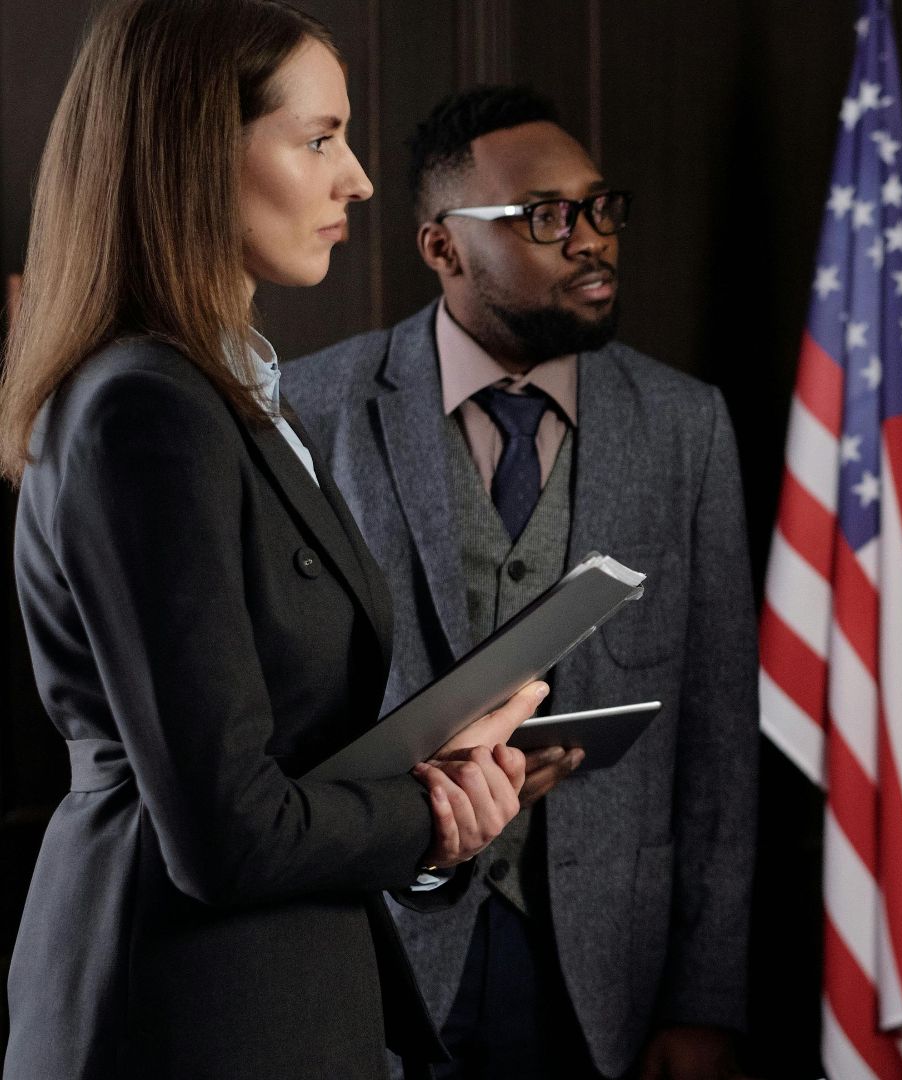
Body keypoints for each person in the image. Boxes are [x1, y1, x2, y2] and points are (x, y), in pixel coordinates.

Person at [0, 3, 540, 1078]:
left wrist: (434, 795)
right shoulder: (143, 412)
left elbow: (278, 766)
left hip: (269, 998)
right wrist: (424, 817)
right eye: (317, 138)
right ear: (195, 152)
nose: (359, 181)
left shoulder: (231, 398)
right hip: (183, 1017)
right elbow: (226, 832)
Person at [283, 85, 757, 1080]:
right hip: (376, 960)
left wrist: (704, 999)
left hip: (604, 980)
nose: (591, 240)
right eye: (545, 216)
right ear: (442, 248)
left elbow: (717, 737)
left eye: (599, 208)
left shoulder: (685, 426)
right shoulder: (314, 407)